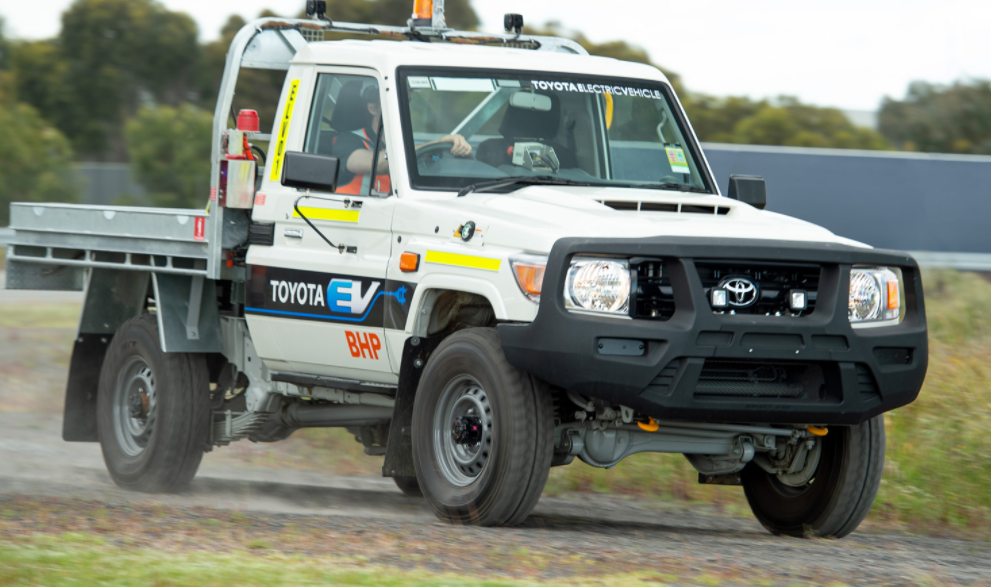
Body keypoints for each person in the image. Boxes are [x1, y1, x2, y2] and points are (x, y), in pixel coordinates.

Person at [331, 81, 472, 195]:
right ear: (373, 109)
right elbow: (379, 163)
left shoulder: (399, 143)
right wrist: (436, 144)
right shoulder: (346, 141)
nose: (404, 108)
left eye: (407, 102)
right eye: (397, 102)